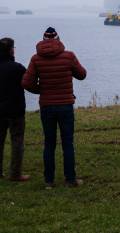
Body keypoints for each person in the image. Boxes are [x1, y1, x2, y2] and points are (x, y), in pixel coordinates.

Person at [22, 27, 87, 188]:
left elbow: (26, 83)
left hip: (47, 107)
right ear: (58, 39)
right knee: (68, 143)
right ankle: (70, 179)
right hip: (65, 106)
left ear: (43, 40)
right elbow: (82, 74)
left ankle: (49, 181)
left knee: (49, 144)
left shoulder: (36, 59)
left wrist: (41, 89)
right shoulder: (69, 56)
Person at [0, 38, 30, 181]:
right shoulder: (18, 68)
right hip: (15, 110)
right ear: (11, 50)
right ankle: (15, 173)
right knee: (17, 141)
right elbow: (29, 82)